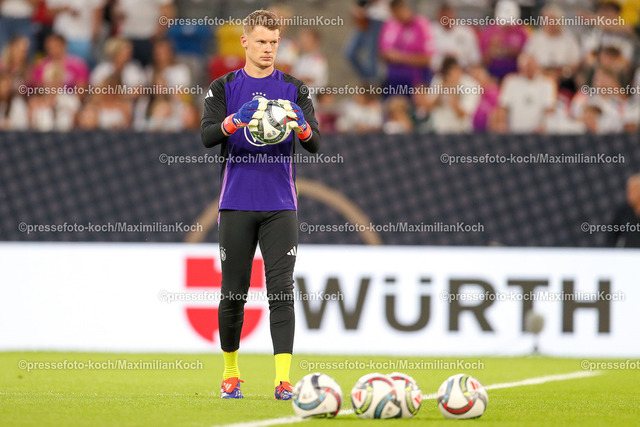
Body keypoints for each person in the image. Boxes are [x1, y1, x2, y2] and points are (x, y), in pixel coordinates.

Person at [200, 9, 320, 401]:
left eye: (274, 42)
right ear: (245, 42)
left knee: (281, 291)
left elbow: (315, 143)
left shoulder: (294, 89)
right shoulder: (223, 87)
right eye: (261, 41)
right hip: (236, 203)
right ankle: (231, 374)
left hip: (280, 206)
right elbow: (207, 136)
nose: (268, 48)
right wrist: (234, 121)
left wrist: (303, 126)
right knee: (233, 292)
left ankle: (283, 381)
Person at [606, 174, 640, 248]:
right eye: (628, 190)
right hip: (629, 253)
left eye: (633, 190)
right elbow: (611, 237)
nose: (629, 194)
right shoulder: (623, 212)